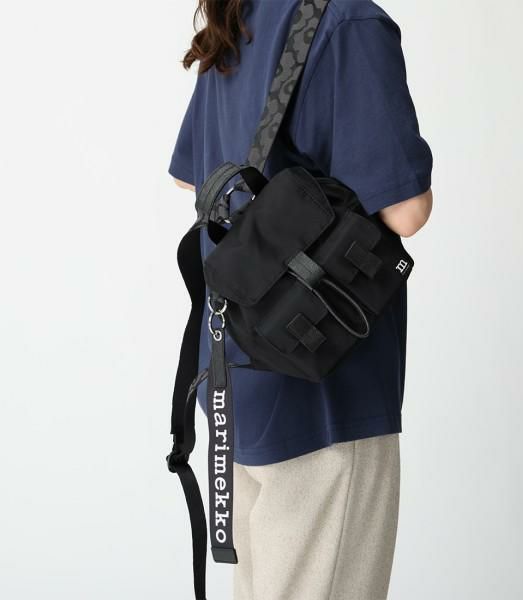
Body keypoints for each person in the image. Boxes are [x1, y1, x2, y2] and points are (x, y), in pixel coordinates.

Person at [169, 1, 433, 598]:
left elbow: (192, 177)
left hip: (237, 374)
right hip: (322, 391)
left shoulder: (238, 15)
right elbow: (407, 212)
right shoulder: (348, 22)